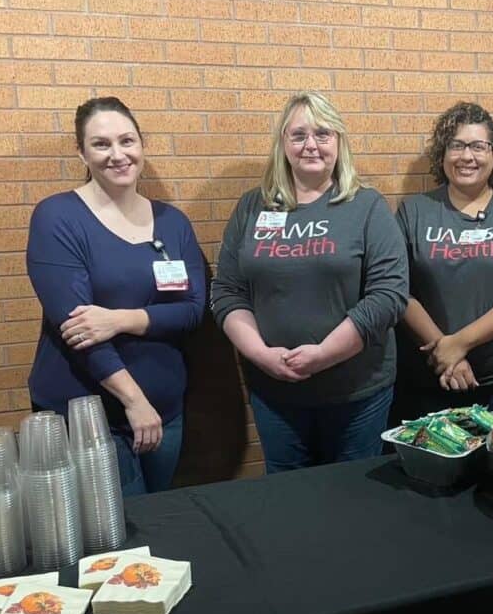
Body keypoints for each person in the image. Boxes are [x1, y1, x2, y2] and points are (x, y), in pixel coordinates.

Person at [210, 92, 407, 474]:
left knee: (352, 498)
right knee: (288, 500)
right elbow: (227, 292)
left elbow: (388, 296)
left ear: (339, 143)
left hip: (357, 392)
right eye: (298, 135)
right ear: (283, 143)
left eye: (323, 133)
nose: (311, 145)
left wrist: (323, 355)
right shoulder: (254, 206)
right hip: (275, 392)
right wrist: (260, 354)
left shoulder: (366, 206)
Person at [26, 96, 206, 495]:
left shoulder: (172, 222)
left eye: (127, 141)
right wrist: (134, 400)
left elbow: (194, 311)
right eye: (101, 144)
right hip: (91, 416)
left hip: (165, 409)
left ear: (142, 145)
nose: (118, 154)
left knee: (157, 524)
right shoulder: (58, 217)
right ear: (81, 152)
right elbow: (79, 331)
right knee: (115, 542)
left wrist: (119, 319)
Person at [394, 102, 493, 419]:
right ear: (443, 154)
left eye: (479, 146)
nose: (467, 156)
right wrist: (445, 350)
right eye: (457, 145)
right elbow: (398, 287)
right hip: (434, 379)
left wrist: (460, 343)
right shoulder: (414, 212)